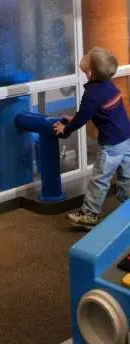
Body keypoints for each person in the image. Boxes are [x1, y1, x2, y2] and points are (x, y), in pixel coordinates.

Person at [54, 47, 130, 228]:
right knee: (126, 176)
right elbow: (95, 113)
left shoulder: (92, 94)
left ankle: (89, 215)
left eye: (87, 58)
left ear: (90, 72)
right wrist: (77, 117)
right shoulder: (108, 85)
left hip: (111, 145)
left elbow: (82, 118)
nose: (84, 57)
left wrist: (65, 129)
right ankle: (127, 207)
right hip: (126, 138)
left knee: (100, 179)